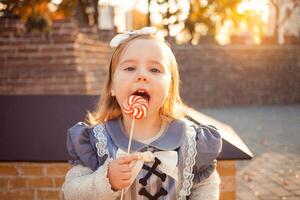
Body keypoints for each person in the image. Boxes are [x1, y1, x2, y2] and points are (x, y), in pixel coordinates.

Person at [62, 27, 222, 200]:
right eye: (130, 68)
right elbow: (70, 192)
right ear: (112, 88)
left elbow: (206, 188)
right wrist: (106, 179)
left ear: (170, 88)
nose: (142, 75)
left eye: (154, 70)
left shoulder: (192, 140)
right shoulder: (96, 141)